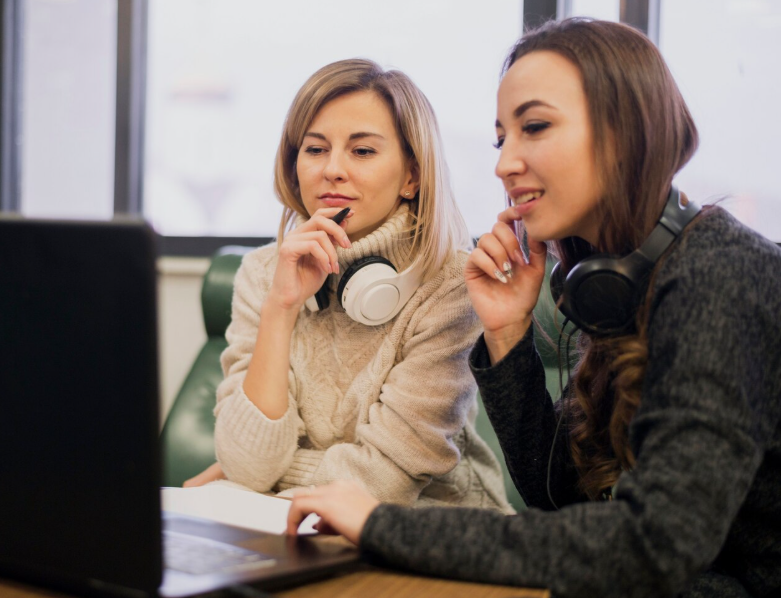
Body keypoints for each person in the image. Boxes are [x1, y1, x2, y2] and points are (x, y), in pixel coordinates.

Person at [286, 19, 781, 598]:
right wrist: (508, 333)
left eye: (535, 127)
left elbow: (655, 543)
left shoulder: (722, 276)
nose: (504, 163)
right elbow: (559, 499)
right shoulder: (620, 279)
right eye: (502, 139)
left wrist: (382, 525)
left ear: (627, 132)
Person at [183, 59, 511, 512]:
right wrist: (281, 307)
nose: (332, 170)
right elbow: (248, 463)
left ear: (412, 176)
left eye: (362, 151)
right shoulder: (263, 273)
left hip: (432, 532)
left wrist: (272, 481)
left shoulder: (452, 284)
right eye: (315, 150)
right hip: (295, 524)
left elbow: (383, 482)